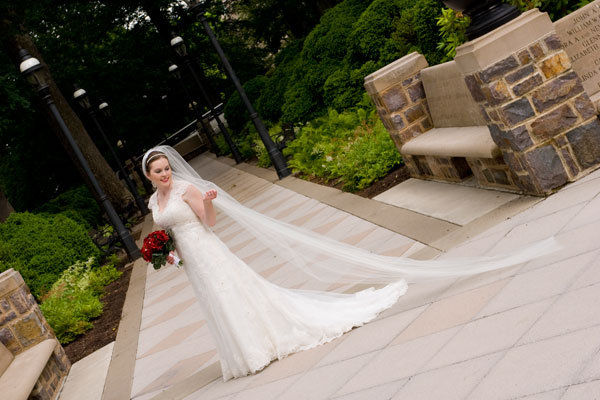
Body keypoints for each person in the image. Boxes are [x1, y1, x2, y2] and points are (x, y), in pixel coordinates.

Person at [142, 145, 558, 381]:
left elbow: (209, 225)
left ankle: (262, 343)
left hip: (209, 250)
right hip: (191, 260)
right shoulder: (153, 202)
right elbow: (171, 231)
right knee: (214, 300)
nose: (163, 174)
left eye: (165, 168)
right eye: (156, 171)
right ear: (148, 176)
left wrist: (208, 205)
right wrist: (167, 249)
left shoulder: (188, 190)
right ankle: (243, 351)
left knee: (232, 290)